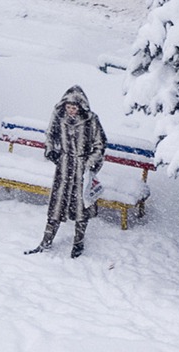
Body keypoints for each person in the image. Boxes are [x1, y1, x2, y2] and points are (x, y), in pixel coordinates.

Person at [25, 85, 107, 258]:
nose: (71, 110)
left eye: (74, 107)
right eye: (68, 107)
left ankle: (78, 242)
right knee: (57, 203)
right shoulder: (59, 116)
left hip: (82, 168)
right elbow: (50, 135)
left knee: (81, 205)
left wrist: (90, 162)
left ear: (81, 106)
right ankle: (46, 240)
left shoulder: (91, 120)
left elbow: (100, 144)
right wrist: (51, 150)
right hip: (63, 167)